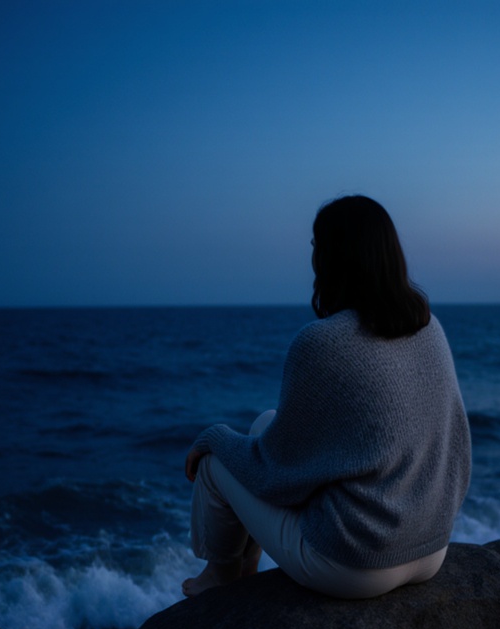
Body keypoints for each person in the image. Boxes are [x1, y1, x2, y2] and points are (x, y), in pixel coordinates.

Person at [183, 195, 471, 599]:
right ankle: (247, 562)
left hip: (355, 565)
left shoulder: (321, 343)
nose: (312, 256)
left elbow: (274, 474)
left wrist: (214, 437)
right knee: (266, 422)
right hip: (430, 549)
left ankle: (221, 574)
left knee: (215, 464)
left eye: (316, 245)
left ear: (333, 257)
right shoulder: (429, 327)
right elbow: (456, 446)